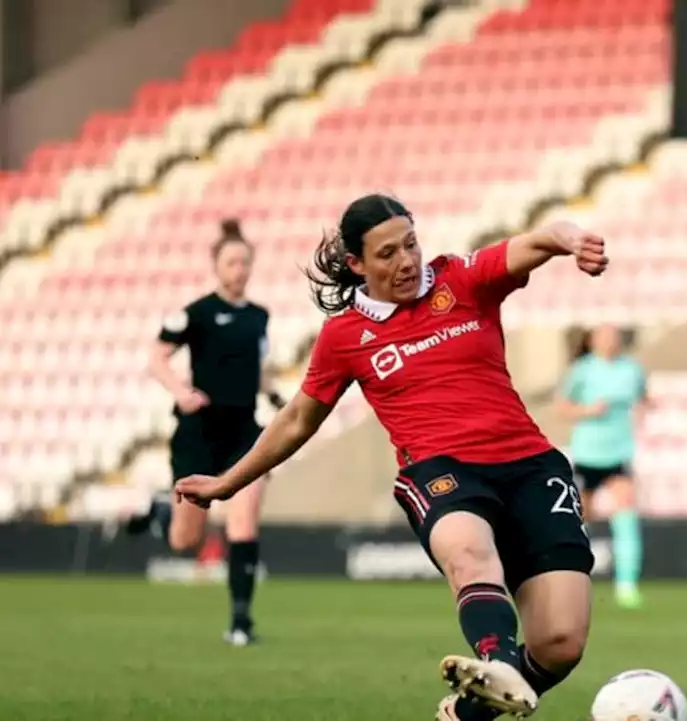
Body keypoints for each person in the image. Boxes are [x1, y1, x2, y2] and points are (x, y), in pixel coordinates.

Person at [172, 195, 608, 721]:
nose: (406, 261)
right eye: (387, 254)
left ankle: (471, 710)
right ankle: (497, 659)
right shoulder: (345, 336)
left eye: (410, 244)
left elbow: (536, 240)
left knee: (561, 641)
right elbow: (296, 420)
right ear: (356, 263)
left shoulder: (461, 280)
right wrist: (228, 482)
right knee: (467, 550)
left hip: (532, 466)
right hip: (441, 471)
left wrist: (572, 240)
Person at [124, 218, 284, 646]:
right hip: (199, 432)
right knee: (184, 539)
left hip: (244, 432)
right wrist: (181, 391)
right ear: (217, 266)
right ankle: (163, 514)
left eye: (245, 262)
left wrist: (278, 398)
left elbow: (261, 371)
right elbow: (157, 358)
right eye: (232, 262)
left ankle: (240, 622)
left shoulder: (259, 317)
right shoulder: (195, 313)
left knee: (243, 521)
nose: (240, 269)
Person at [555, 325, 648, 610]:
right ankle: (568, 579)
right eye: (605, 337)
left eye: (614, 337)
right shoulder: (582, 370)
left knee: (626, 511)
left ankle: (626, 584)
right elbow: (562, 407)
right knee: (581, 516)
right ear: (593, 341)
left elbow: (643, 397)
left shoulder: (632, 369)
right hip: (588, 453)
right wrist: (587, 411)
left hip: (618, 453)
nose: (610, 342)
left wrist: (643, 412)